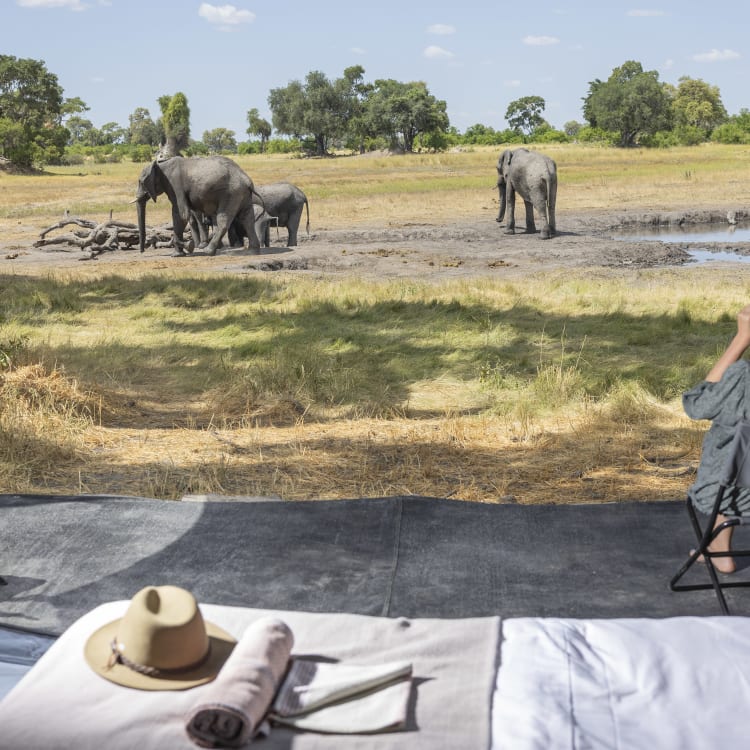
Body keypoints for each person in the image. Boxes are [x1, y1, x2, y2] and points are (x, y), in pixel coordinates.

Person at [683, 303, 750, 573]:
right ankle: (718, 550)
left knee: (729, 463)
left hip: (731, 492)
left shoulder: (742, 379)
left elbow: (696, 406)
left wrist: (741, 339)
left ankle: (719, 551)